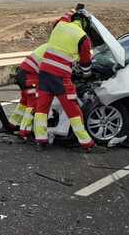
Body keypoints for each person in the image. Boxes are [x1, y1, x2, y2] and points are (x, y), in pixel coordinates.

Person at [32, 9, 95, 151]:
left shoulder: (60, 25)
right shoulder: (83, 37)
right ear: (85, 23)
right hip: (60, 77)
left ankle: (41, 141)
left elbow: (64, 17)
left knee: (41, 109)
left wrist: (73, 10)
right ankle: (86, 143)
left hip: (44, 74)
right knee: (73, 110)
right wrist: (87, 74)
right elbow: (85, 63)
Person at [12, 43, 47, 140]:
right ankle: (24, 132)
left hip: (22, 73)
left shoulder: (48, 46)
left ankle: (13, 124)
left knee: (24, 101)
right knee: (34, 103)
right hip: (30, 76)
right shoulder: (58, 51)